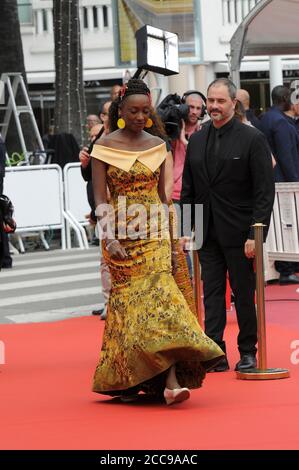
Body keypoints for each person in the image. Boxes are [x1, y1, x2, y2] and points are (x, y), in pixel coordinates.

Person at [91, 79, 224, 404]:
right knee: (129, 310)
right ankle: (129, 378)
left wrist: (174, 239)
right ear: (120, 111)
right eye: (133, 111)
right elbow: (100, 199)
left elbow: (165, 198)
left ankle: (171, 379)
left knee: (162, 301)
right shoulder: (104, 147)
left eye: (145, 111)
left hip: (154, 232)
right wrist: (109, 239)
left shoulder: (158, 145)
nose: (139, 116)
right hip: (122, 233)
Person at [181, 78, 275, 372]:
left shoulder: (252, 139)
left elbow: (263, 191)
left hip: (240, 233)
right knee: (211, 294)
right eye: (210, 101)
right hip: (206, 232)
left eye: (220, 101)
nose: (213, 107)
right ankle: (214, 350)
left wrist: (255, 234)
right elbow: (189, 189)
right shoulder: (197, 139)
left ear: (234, 104)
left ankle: (248, 351)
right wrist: (187, 230)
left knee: (244, 294)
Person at [259, 85, 299, 284]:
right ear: (285, 98)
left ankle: (284, 267)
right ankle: (287, 269)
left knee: (280, 226)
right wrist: (295, 183)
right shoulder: (280, 122)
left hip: (273, 180)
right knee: (287, 226)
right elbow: (286, 156)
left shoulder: (266, 118)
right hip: (285, 182)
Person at [80, 102, 113, 319]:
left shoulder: (117, 141)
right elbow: (91, 179)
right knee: (105, 259)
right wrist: (85, 165)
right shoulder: (97, 146)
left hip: (119, 208)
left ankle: (113, 302)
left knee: (111, 258)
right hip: (102, 208)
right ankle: (108, 302)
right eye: (90, 138)